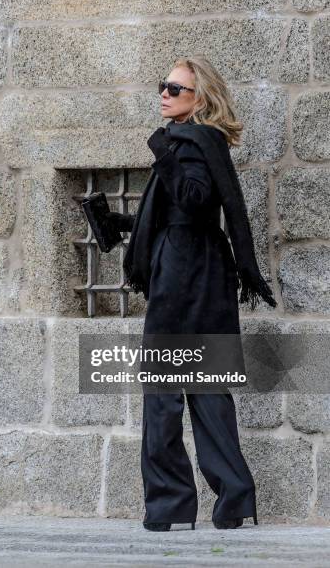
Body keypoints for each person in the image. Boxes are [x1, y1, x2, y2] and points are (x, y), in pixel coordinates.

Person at [104, 55, 277, 532]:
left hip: (183, 275)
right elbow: (185, 214)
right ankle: (235, 501)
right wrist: (122, 225)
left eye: (175, 89)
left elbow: (196, 201)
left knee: (162, 391)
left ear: (200, 99)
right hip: (205, 270)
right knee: (207, 388)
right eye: (163, 85)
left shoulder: (187, 140)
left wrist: (163, 151)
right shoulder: (203, 141)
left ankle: (170, 506)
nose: (164, 93)